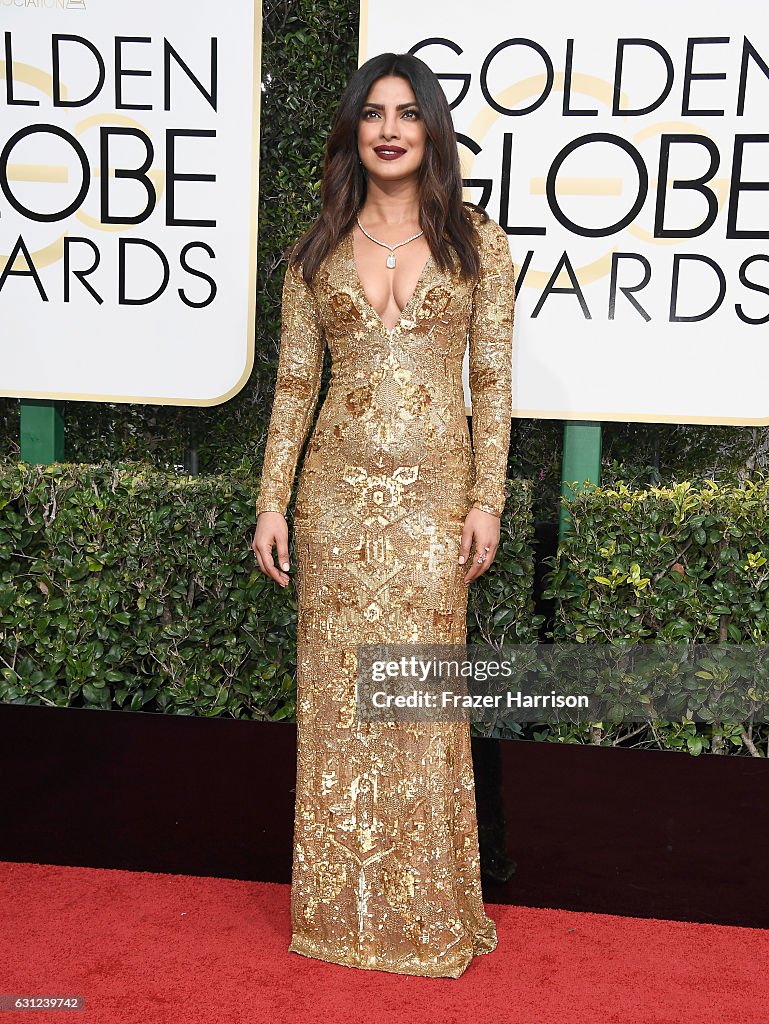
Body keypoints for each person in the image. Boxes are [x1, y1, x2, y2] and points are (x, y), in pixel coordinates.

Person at [252, 51, 515, 978]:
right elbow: (292, 389)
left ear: (431, 129)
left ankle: (425, 915)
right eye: (373, 114)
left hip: (434, 507)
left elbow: (491, 379)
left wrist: (487, 497)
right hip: (332, 506)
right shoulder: (314, 248)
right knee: (337, 705)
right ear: (353, 133)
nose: (391, 128)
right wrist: (270, 502)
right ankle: (337, 917)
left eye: (408, 113)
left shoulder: (476, 243)